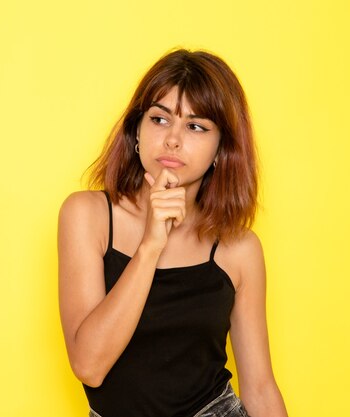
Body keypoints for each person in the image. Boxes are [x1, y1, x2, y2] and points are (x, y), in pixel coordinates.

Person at [58, 48, 288, 417]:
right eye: (160, 119)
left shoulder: (239, 249)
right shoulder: (88, 215)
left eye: (196, 126)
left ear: (220, 150)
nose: (173, 140)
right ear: (136, 130)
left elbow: (259, 388)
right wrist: (151, 245)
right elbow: (89, 366)